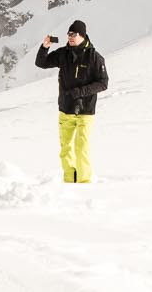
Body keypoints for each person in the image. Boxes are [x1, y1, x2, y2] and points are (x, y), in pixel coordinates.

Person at [34, 17, 109, 183]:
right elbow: (41, 63)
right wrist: (44, 47)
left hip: (86, 110)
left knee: (81, 148)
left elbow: (103, 83)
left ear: (82, 35)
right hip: (65, 108)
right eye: (68, 33)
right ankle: (70, 181)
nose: (70, 36)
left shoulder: (95, 58)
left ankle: (84, 182)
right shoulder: (63, 54)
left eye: (73, 34)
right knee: (66, 149)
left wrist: (81, 92)